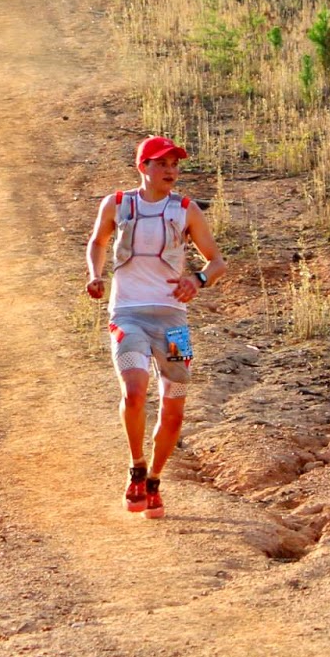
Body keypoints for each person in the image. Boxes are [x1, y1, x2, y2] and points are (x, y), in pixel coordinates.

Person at [85, 135, 226, 518]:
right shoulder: (118, 203)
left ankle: (154, 481)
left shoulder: (185, 209)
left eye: (174, 164)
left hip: (173, 323)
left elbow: (216, 262)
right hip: (127, 315)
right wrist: (95, 274)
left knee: (174, 406)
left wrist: (197, 280)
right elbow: (97, 241)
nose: (170, 170)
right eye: (162, 163)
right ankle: (136, 468)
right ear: (142, 167)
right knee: (134, 392)